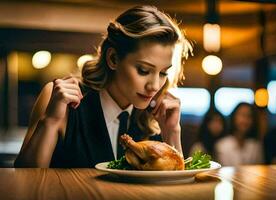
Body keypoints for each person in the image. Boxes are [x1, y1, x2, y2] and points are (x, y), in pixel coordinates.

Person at [14, 5, 192, 168]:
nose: (154, 86)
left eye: (163, 73)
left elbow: (173, 189)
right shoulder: (59, 98)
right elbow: (24, 180)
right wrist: (50, 121)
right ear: (113, 58)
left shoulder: (154, 115)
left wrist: (172, 133)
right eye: (144, 70)